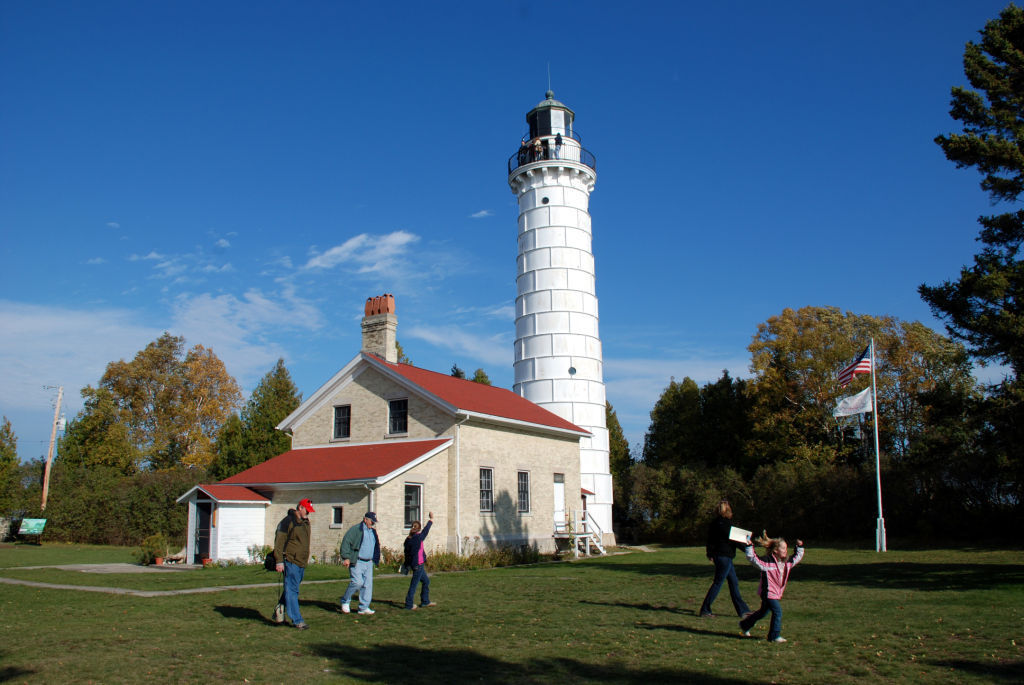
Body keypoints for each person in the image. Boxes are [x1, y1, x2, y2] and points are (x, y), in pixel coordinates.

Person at [739, 532, 805, 643]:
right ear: (775, 551)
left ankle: (745, 625)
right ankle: (774, 636)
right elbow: (753, 559)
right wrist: (749, 546)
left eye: (786, 548)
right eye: (783, 548)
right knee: (777, 611)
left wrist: (800, 547)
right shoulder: (767, 561)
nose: (785, 550)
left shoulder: (787, 562)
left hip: (776, 593)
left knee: (763, 612)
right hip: (768, 593)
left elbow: (797, 557)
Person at [698, 500, 751, 618]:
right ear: (728, 511)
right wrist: (749, 549)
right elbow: (736, 541)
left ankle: (743, 611)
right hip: (724, 557)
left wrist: (710, 553)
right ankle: (705, 610)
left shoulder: (714, 523)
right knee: (718, 583)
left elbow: (710, 540)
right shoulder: (727, 525)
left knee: (733, 582)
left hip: (720, 556)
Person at [273, 498, 314, 630]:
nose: (308, 513)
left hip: (301, 561)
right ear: (300, 508)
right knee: (292, 590)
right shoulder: (287, 521)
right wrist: (279, 561)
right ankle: (297, 620)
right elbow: (279, 543)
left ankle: (279, 610)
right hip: (291, 561)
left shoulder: (305, 522)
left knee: (290, 589)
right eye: (307, 510)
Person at [339, 511, 381, 615]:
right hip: (357, 561)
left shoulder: (373, 532)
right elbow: (346, 542)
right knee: (357, 582)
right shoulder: (356, 530)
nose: (373, 523)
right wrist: (346, 557)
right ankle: (345, 601)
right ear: (365, 519)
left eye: (374, 522)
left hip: (369, 562)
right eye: (371, 521)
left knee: (367, 585)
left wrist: (376, 559)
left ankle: (363, 607)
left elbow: (376, 546)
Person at [403, 511, 437, 610]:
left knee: (426, 581)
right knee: (413, 585)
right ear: (418, 529)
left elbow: (407, 552)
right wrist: (431, 519)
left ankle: (425, 601)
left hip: (416, 564)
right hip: (418, 565)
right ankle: (409, 604)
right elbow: (426, 530)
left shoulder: (408, 539)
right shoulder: (418, 538)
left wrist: (407, 564)